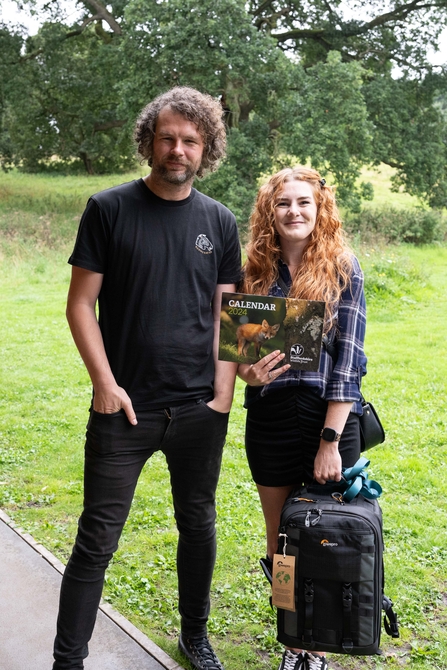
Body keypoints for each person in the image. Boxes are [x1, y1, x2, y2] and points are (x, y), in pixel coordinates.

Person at [52, 86, 241, 670]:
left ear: (205, 148)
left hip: (196, 414)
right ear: (149, 141)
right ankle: (68, 660)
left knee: (198, 525)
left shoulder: (219, 220)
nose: (177, 149)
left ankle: (195, 636)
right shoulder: (108, 209)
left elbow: (227, 315)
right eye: (167, 138)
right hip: (123, 409)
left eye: (190, 140)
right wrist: (105, 385)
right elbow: (80, 304)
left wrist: (223, 395)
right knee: (96, 542)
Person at [237, 166, 367, 670]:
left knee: (327, 535)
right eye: (284, 203)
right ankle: (293, 642)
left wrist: (330, 440)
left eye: (304, 203)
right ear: (271, 211)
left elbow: (350, 363)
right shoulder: (253, 272)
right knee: (282, 545)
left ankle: (322, 644)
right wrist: (250, 374)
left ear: (320, 209)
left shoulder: (343, 268)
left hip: (327, 421)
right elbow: (239, 357)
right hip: (269, 419)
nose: (294, 211)